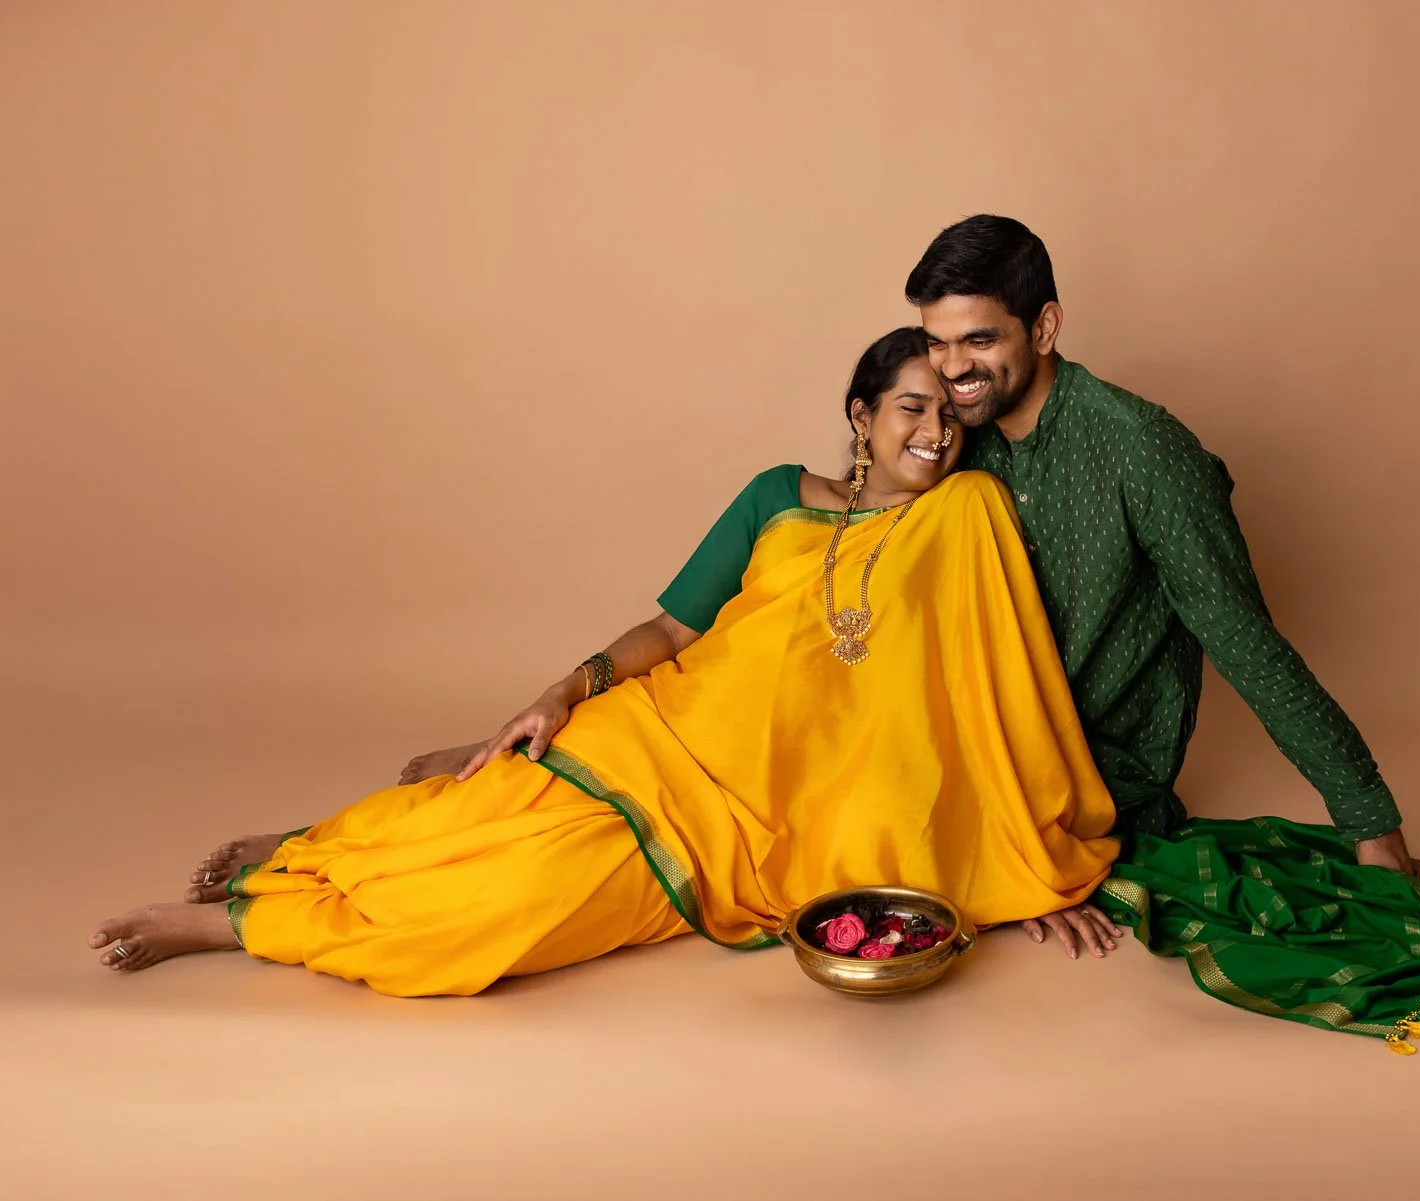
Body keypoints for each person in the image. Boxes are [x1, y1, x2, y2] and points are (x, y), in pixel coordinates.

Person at [89, 329, 1123, 995]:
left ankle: (251, 917)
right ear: (861, 416)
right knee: (481, 809)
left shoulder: (966, 521)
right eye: (910, 404)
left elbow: (995, 700)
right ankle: (284, 864)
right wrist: (558, 689)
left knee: (501, 908)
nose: (935, 428)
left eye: (948, 409)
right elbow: (673, 630)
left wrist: (1023, 857)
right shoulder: (778, 494)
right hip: (657, 732)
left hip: (746, 826)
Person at [904, 217, 1420, 1049]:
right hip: (968, 755)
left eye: (978, 339)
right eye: (935, 342)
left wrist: (1372, 826)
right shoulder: (951, 443)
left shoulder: (1142, 450)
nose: (952, 368)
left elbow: (1246, 642)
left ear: (1045, 327)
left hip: (1088, 781)